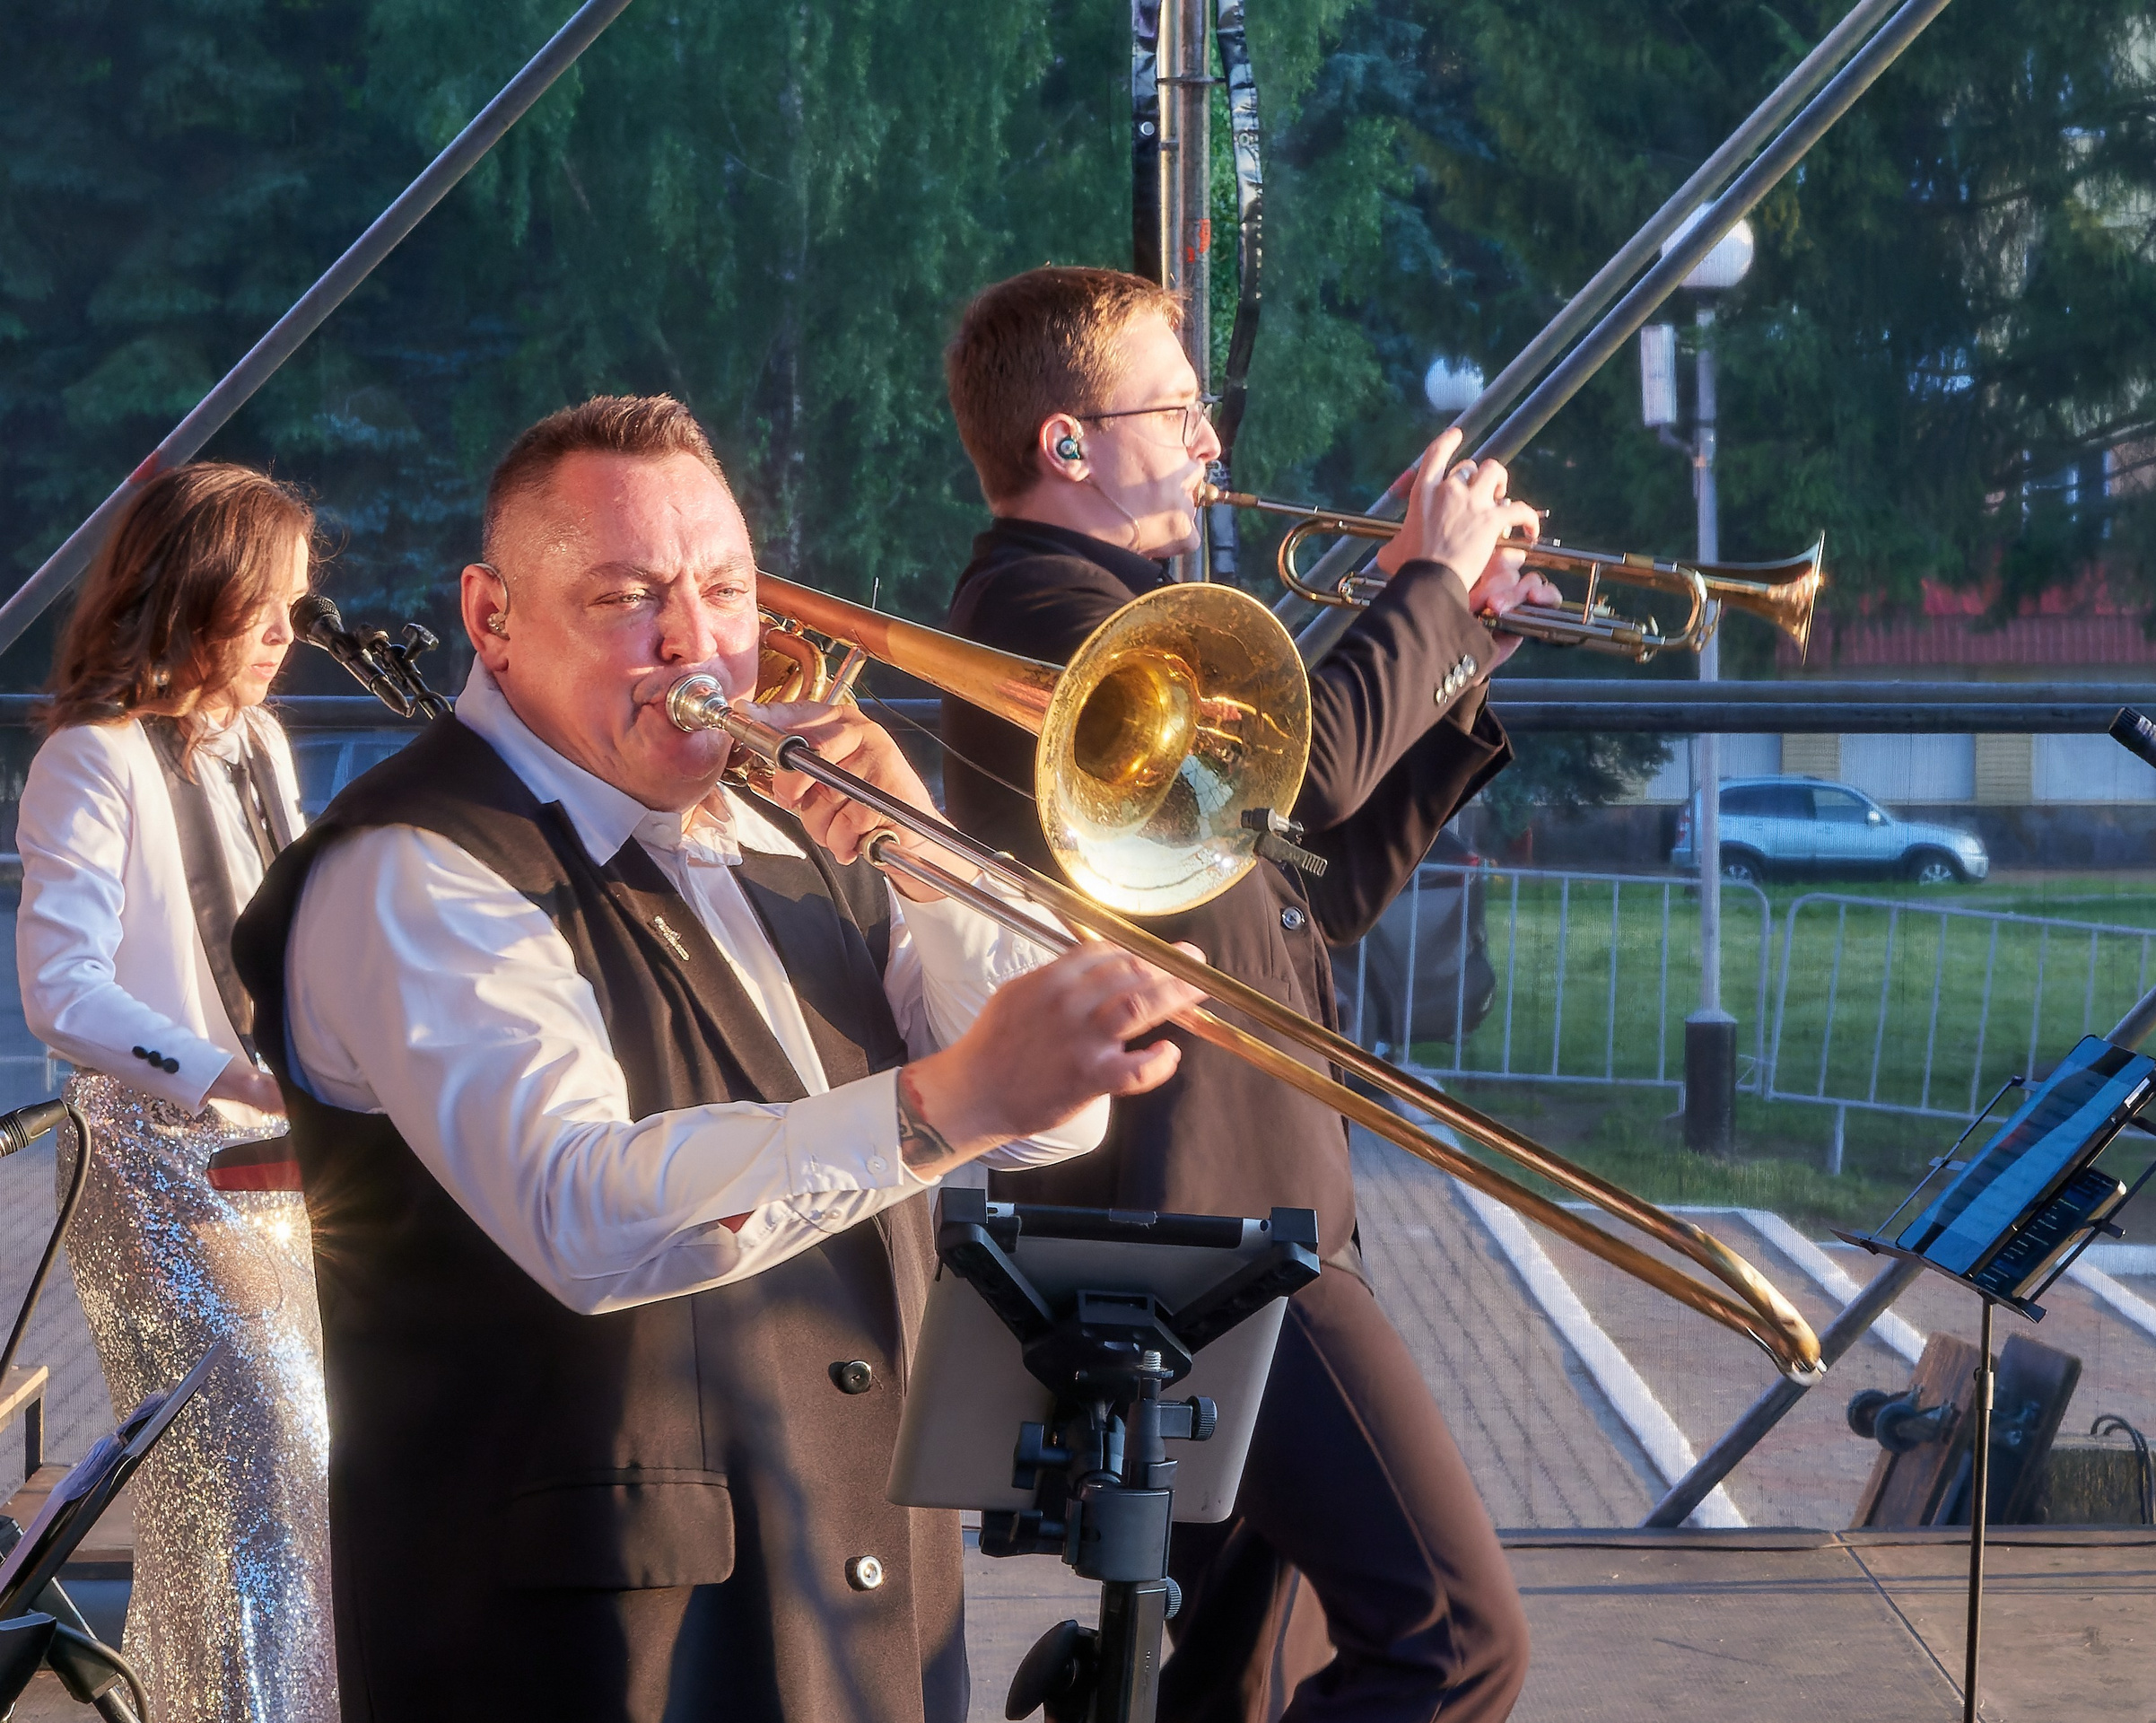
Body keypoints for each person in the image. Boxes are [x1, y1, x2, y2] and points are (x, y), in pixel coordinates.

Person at [230, 394, 1204, 1723]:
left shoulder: (790, 838)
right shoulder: (414, 866)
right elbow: (581, 1208)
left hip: (856, 1607)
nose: (698, 643)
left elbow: (1048, 1133)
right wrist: (942, 1107)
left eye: (729, 589)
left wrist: (919, 854)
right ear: (492, 617)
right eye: (630, 598)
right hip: (592, 1661)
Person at [938, 266, 1553, 1721]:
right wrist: (1424, 588)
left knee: (1218, 1690)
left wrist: (1458, 659)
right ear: (1066, 443)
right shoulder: (1039, 614)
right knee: (1456, 1643)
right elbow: (1320, 765)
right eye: (1180, 405)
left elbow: (1314, 885)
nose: (1214, 441)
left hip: (1247, 1200)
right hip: (1194, 1217)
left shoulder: (1135, 621)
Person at [16, 460, 337, 1721]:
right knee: (257, 1476)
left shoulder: (257, 742)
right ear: (188, 591)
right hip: (155, 1171)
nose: (284, 636)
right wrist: (232, 1075)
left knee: (281, 1495)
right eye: (264, 605)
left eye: (296, 606)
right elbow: (61, 992)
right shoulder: (88, 762)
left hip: (280, 1164)